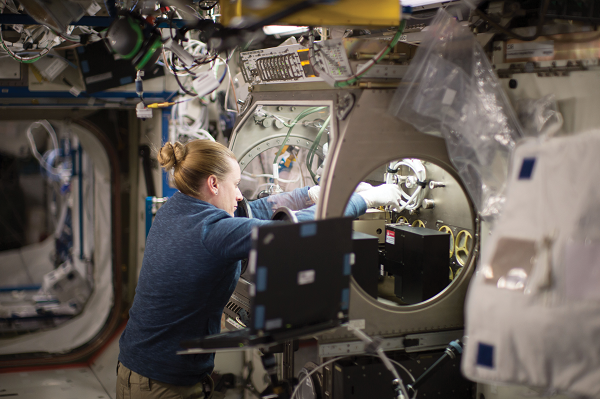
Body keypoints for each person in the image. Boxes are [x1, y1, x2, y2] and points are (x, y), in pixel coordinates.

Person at [116, 139, 403, 399]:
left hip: (145, 369)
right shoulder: (210, 231)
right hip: (160, 384)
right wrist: (364, 201)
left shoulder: (179, 208)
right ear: (214, 184)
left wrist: (313, 194)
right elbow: (291, 232)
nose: (239, 195)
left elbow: (255, 210)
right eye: (236, 184)